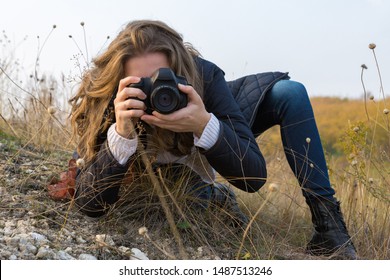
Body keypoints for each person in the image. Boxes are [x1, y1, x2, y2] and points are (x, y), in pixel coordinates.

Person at [69, 20, 357, 259]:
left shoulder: (205, 77)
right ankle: (212, 193)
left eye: (163, 79)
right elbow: (90, 206)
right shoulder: (109, 98)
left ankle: (330, 227)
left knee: (290, 93)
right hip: (150, 159)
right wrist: (121, 134)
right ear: (122, 80)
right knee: (193, 196)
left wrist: (205, 124)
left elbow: (253, 179)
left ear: (183, 71)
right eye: (142, 85)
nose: (157, 93)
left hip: (204, 112)